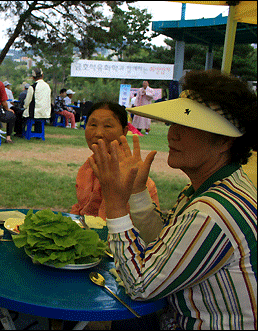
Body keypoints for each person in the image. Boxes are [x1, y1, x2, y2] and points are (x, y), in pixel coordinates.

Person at [89, 69, 257, 330]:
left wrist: (116, 203)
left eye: (188, 126)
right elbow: (164, 245)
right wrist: (137, 193)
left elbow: (140, 285)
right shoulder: (214, 188)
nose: (172, 134)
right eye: (173, 124)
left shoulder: (212, 211)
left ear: (224, 141)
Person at [71, 101, 159, 219]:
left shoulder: (130, 174)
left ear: (124, 131)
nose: (98, 133)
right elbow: (83, 209)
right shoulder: (88, 167)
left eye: (107, 126)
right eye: (92, 125)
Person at [23, 68, 51, 133]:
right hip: (45, 113)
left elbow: (27, 101)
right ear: (42, 75)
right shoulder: (47, 86)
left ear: (33, 77)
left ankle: (20, 132)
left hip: (34, 113)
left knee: (20, 114)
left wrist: (24, 107)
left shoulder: (32, 87)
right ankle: (38, 132)